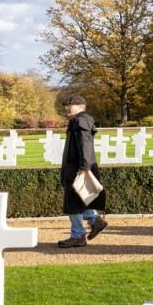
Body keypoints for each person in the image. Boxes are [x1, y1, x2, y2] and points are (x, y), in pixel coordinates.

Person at [57, 95, 108, 248]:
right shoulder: (78, 121)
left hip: (78, 169)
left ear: (81, 106)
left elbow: (84, 146)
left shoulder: (80, 121)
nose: (67, 107)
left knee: (73, 204)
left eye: (70, 105)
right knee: (78, 201)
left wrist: (84, 168)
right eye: (66, 105)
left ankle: (78, 236)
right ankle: (95, 221)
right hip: (75, 168)